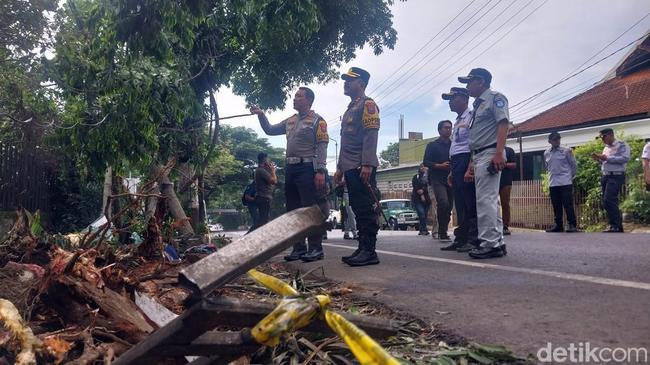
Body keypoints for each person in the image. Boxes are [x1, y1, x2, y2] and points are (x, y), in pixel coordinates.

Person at [250, 86, 329, 262]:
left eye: (299, 96)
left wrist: (321, 170)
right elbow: (269, 130)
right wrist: (261, 115)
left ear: (308, 100)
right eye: (295, 96)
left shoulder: (317, 121)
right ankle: (299, 248)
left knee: (309, 209)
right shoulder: (290, 120)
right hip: (291, 169)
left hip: (308, 168)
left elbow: (322, 146)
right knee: (293, 210)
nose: (294, 99)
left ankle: (316, 248)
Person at [458, 67, 508, 259]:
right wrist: (472, 162)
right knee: (490, 200)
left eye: (469, 82)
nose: (468, 87)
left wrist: (498, 152)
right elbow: (477, 137)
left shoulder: (495, 98)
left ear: (481, 81)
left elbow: (503, 124)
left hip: (490, 152)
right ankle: (497, 241)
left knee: (485, 200)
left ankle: (489, 244)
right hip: (480, 154)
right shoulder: (479, 105)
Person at [334, 67, 381, 267]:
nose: (346, 83)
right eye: (345, 80)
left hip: (362, 166)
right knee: (357, 207)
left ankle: (370, 251)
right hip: (351, 166)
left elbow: (371, 136)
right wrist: (339, 168)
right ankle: (362, 247)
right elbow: (346, 143)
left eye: (350, 80)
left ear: (361, 84)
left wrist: (368, 164)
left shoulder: (368, 105)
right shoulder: (350, 109)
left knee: (365, 208)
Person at [440, 87, 477, 252]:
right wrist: (451, 171)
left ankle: (472, 239)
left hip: (466, 160)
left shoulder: (471, 116)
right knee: (460, 204)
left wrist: (471, 166)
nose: (449, 102)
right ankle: (461, 238)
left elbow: (473, 145)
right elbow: (456, 146)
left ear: (463, 99)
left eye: (452, 98)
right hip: (456, 163)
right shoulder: (457, 121)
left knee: (470, 202)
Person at [591, 128, 630, 233]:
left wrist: (606, 158)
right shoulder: (606, 148)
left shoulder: (622, 145)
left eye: (603, 137)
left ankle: (616, 226)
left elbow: (625, 158)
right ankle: (615, 226)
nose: (602, 140)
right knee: (606, 201)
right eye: (601, 138)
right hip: (606, 176)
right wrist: (599, 159)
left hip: (616, 176)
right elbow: (605, 161)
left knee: (609, 199)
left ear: (610, 135)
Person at [423, 120, 453, 241]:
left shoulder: (454, 145)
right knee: (443, 203)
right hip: (437, 179)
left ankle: (443, 229)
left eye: (450, 128)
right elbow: (426, 162)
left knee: (449, 207)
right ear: (439, 130)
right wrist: (439, 166)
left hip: (451, 178)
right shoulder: (432, 145)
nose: (448, 130)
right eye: (446, 128)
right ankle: (442, 232)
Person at [544, 131, 578, 233]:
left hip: (565, 181)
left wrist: (570, 176)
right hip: (553, 182)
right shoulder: (546, 153)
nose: (557, 141)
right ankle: (558, 225)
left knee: (568, 204)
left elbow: (573, 165)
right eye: (554, 139)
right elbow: (547, 167)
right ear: (550, 141)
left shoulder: (566, 151)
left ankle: (572, 224)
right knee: (556, 205)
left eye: (558, 139)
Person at [254, 152, 277, 228]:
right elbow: (274, 181)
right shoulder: (261, 170)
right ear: (264, 159)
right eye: (268, 158)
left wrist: (270, 169)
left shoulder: (261, 170)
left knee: (263, 219)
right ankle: (250, 236)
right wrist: (273, 171)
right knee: (263, 220)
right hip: (264, 198)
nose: (269, 160)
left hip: (263, 198)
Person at [499, 146, 517, 235]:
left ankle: (505, 226)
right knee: (492, 204)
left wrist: (503, 164)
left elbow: (514, 165)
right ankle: (494, 225)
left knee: (505, 204)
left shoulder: (509, 150)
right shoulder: (491, 150)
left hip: (506, 181)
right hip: (493, 180)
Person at [411, 164, 431, 235]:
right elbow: (415, 186)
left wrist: (423, 190)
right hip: (417, 199)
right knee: (421, 213)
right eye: (421, 167)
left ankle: (421, 229)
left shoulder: (429, 177)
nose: (423, 168)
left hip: (427, 198)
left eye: (424, 167)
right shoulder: (416, 177)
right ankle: (424, 229)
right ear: (419, 168)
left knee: (425, 215)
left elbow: (429, 186)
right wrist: (421, 193)